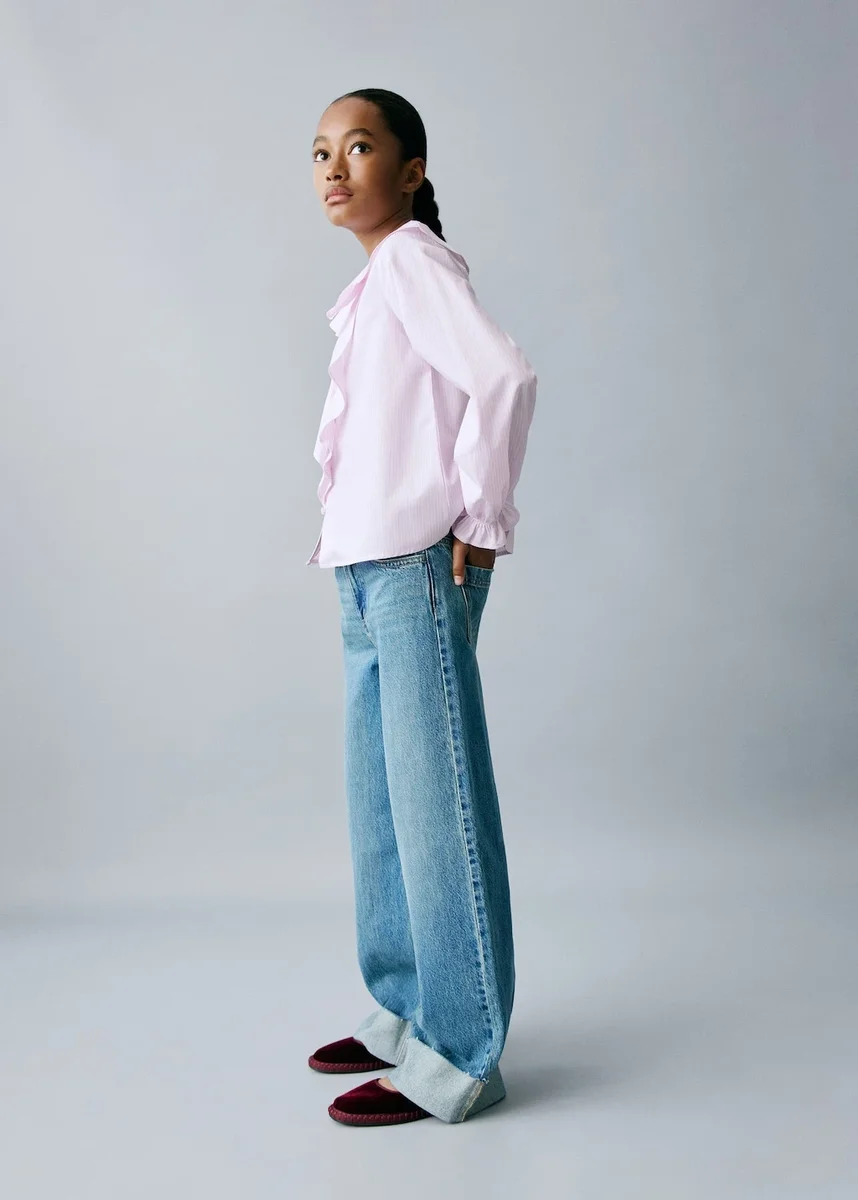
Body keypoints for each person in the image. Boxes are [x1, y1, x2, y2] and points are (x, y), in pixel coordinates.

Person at [305, 87, 537, 1126]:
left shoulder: (410, 259)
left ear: (411, 172)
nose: (333, 167)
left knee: (435, 809)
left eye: (358, 147)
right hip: (364, 570)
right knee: (384, 808)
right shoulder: (372, 285)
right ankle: (404, 1010)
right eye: (320, 152)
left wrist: (482, 514)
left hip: (413, 567)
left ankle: (461, 1052)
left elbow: (505, 377)